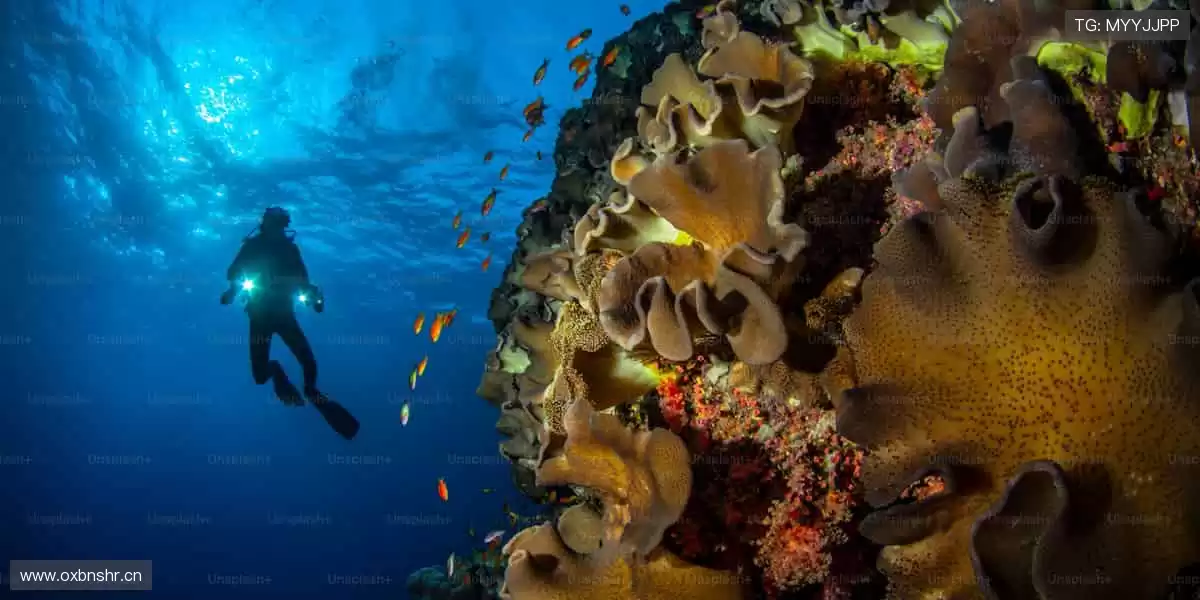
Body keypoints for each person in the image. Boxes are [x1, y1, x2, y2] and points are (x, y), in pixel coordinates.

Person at [220, 206, 325, 405]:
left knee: (308, 361)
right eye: (273, 224)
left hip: (283, 314)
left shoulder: (290, 249)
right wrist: (232, 291)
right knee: (260, 377)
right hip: (259, 316)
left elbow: (303, 280)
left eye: (279, 225)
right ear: (264, 224)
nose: (276, 229)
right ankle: (276, 370)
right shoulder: (252, 246)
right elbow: (233, 271)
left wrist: (315, 299)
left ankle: (310, 389)